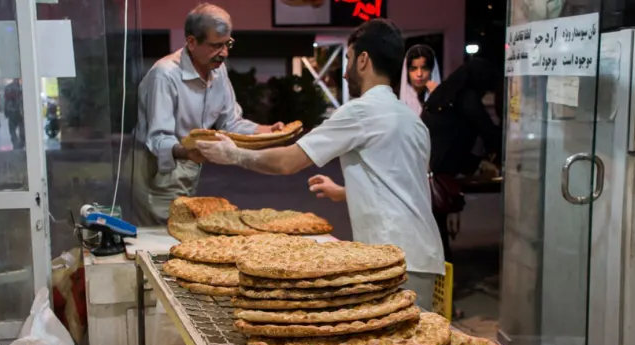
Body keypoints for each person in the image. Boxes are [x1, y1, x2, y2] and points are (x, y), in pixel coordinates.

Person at [196, 19, 445, 311]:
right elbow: (401, 182)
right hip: (423, 257)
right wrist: (344, 191)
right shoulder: (411, 120)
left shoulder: (362, 111)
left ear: (363, 60)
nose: (345, 70)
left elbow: (288, 161)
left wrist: (234, 154)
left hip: (392, 258)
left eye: (349, 60)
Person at [133, 2, 284, 225]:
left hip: (190, 165)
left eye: (228, 44)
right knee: (164, 240)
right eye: (216, 46)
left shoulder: (217, 70)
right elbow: (157, 139)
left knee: (184, 234)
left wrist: (266, 131)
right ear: (192, 42)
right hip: (158, 172)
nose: (223, 53)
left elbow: (230, 122)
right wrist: (189, 151)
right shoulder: (165, 75)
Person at [410, 57, 502, 264]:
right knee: (439, 229)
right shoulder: (466, 97)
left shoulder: (445, 92)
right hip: (441, 168)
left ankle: (436, 276)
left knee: (434, 228)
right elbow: (488, 131)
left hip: (425, 165)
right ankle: (441, 277)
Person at [399, 44, 441, 116]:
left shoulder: (443, 97)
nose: (419, 74)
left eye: (424, 68)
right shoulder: (396, 99)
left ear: (431, 70)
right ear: (407, 71)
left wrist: (437, 97)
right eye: (413, 69)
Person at [4, 79, 24, 148]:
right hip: (20, 111)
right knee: (22, 127)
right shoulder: (22, 87)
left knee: (12, 129)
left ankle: (15, 143)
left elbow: (6, 101)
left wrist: (5, 112)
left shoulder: (8, 87)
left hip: (11, 111)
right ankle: (22, 142)